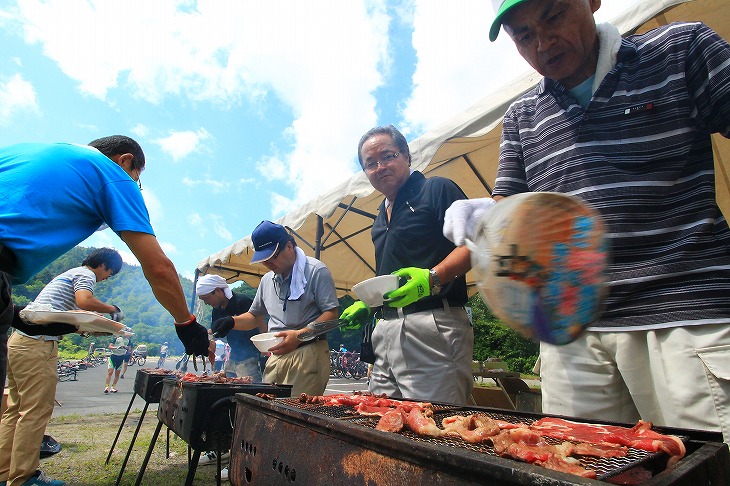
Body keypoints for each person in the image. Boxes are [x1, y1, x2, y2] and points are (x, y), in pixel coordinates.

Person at [443, 0, 730, 441]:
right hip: (569, 336)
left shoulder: (679, 49)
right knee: (574, 464)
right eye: (523, 35)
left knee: (704, 463)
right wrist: (484, 218)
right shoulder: (523, 117)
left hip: (683, 315)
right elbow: (508, 213)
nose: (542, 42)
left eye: (553, 16)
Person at [0, 136, 211, 396]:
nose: (134, 185)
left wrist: (12, 312)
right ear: (126, 160)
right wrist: (186, 323)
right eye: (137, 178)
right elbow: (158, 267)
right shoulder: (112, 173)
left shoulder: (26, 149)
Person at [340, 125, 474, 405]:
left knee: (434, 425)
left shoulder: (435, 189)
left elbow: (475, 244)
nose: (380, 166)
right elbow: (389, 277)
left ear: (407, 157)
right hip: (386, 329)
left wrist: (432, 277)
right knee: (382, 418)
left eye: (388, 156)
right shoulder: (378, 218)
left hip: (432, 323)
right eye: (370, 163)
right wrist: (371, 304)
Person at [0, 248, 123, 486]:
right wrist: (113, 310)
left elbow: (65, 317)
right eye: (111, 272)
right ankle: (23, 478)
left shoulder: (68, 275)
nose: (108, 277)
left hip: (18, 341)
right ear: (104, 265)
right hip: (38, 345)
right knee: (35, 412)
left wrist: (88, 327)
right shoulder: (86, 276)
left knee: (14, 411)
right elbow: (85, 302)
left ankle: (4, 473)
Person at [211, 221, 338, 397]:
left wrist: (300, 335)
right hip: (276, 355)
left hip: (307, 352)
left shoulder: (316, 270)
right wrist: (232, 322)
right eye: (263, 259)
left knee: (296, 414)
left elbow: (332, 315)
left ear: (289, 246)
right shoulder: (267, 280)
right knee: (268, 409)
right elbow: (255, 316)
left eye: (273, 256)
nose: (268, 263)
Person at [196, 274, 262, 380]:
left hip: (252, 356)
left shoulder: (241, 302)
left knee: (248, 385)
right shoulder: (216, 310)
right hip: (234, 355)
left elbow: (260, 322)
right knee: (227, 383)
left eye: (206, 298)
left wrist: (265, 352)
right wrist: (207, 338)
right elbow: (213, 331)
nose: (206, 303)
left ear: (217, 291)